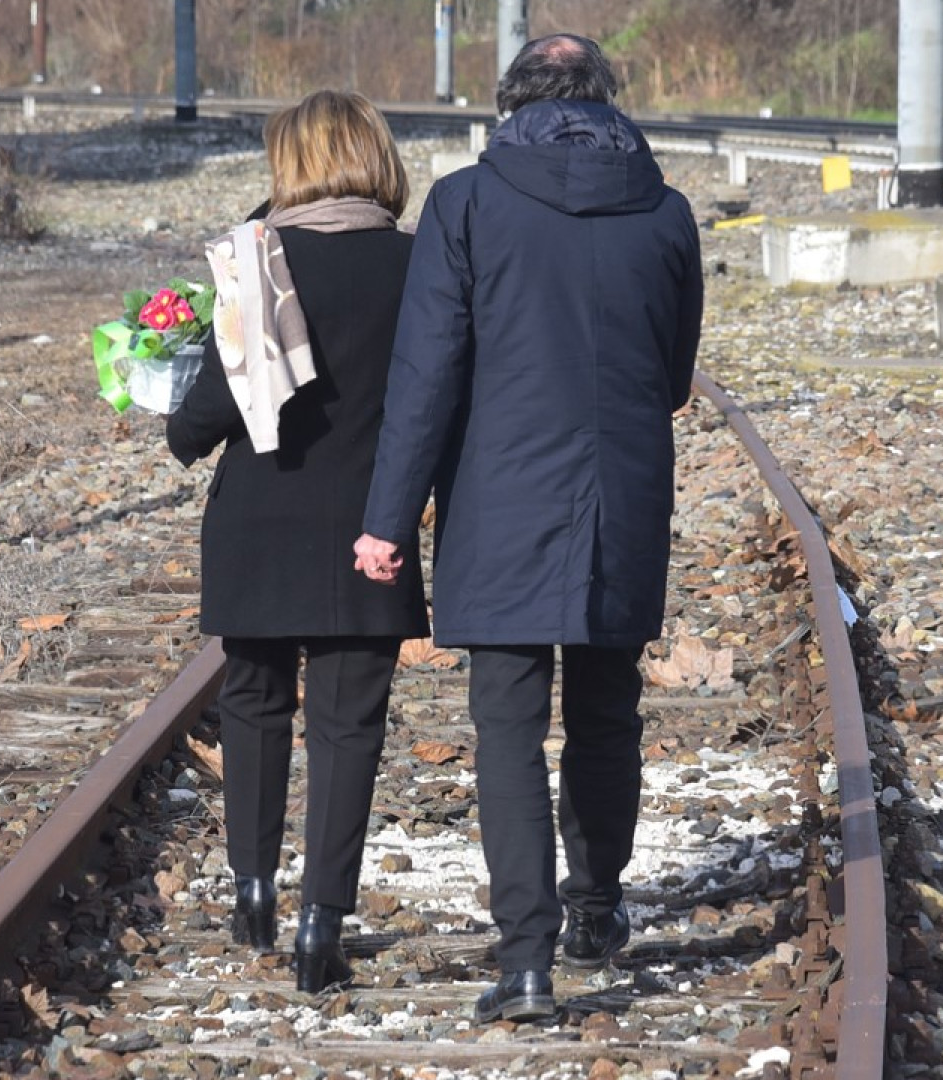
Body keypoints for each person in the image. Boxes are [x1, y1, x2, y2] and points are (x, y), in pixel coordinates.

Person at [353, 34, 703, 1023]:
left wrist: (386, 520)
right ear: (607, 101)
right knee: (605, 714)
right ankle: (596, 909)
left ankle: (525, 961)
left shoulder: (463, 205)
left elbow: (425, 378)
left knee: (506, 729)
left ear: (509, 105)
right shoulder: (667, 215)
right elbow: (674, 381)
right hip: (621, 502)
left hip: (499, 502)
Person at [166, 90, 426, 995]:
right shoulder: (419, 262)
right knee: (349, 727)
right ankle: (322, 923)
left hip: (258, 526)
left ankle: (251, 891)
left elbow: (196, 424)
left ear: (289, 166)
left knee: (253, 702)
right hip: (371, 525)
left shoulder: (258, 264)